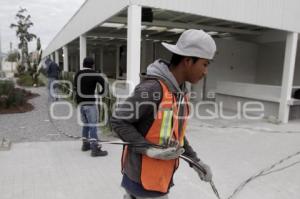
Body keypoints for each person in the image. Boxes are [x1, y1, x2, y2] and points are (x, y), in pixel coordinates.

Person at [111, 29, 217, 199]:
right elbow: (118, 120)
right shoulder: (153, 89)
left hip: (157, 179)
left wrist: (195, 161)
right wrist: (147, 149)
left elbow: (176, 135)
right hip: (143, 182)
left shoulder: (178, 93)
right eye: (204, 64)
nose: (205, 72)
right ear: (188, 61)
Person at [74, 57, 108, 157]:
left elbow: (75, 87)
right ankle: (95, 149)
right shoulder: (94, 74)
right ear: (92, 65)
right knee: (93, 125)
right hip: (90, 104)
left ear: (83, 64)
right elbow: (105, 84)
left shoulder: (78, 74)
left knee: (86, 124)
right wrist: (101, 93)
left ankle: (85, 144)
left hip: (81, 104)